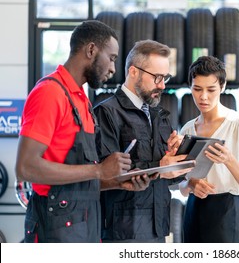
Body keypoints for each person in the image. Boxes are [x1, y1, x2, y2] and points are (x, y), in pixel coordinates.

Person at [15, 20, 152, 243]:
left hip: (85, 227)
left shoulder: (82, 101)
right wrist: (98, 171)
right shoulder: (50, 93)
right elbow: (25, 168)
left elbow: (78, 182)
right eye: (112, 58)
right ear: (91, 50)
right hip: (54, 231)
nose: (113, 69)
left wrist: (117, 181)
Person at [94, 39, 190, 243]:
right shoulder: (107, 113)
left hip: (158, 229)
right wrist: (159, 167)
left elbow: (168, 178)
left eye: (165, 77)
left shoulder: (159, 114)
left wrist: (177, 161)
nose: (163, 85)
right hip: (123, 231)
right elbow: (106, 174)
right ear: (133, 71)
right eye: (157, 77)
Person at [179, 55, 239, 243]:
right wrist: (191, 185)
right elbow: (179, 184)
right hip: (193, 209)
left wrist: (229, 160)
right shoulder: (188, 129)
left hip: (228, 211)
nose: (203, 96)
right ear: (190, 87)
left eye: (211, 90)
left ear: (222, 87)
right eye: (197, 89)